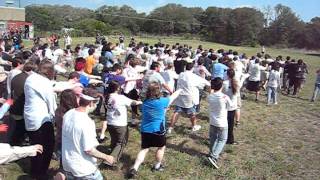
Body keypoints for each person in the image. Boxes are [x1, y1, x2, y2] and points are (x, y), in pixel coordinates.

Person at [128, 83, 181, 178]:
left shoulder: (145, 102)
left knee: (144, 149)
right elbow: (173, 97)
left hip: (145, 130)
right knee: (161, 148)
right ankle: (157, 166)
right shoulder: (163, 101)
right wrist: (180, 90)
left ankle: (135, 167)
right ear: (159, 91)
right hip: (158, 130)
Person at [61, 88, 114, 179]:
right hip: (83, 169)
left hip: (67, 164)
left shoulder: (68, 114)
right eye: (96, 103)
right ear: (91, 103)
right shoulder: (87, 122)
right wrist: (106, 157)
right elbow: (89, 149)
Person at [24, 60, 57, 179]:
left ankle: (35, 171)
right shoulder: (44, 83)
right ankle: (41, 172)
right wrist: (56, 118)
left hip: (30, 116)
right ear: (50, 72)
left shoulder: (31, 78)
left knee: (35, 145)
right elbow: (51, 103)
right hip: (41, 119)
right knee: (47, 146)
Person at [104, 81, 142, 166]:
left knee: (114, 140)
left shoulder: (107, 96)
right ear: (117, 88)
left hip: (110, 122)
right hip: (120, 124)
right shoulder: (120, 97)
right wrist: (140, 102)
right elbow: (132, 102)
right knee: (121, 142)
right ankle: (110, 161)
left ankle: (112, 151)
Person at [168, 62, 210, 133]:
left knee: (177, 112)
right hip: (189, 97)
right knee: (192, 113)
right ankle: (194, 126)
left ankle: (171, 127)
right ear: (192, 68)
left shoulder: (181, 74)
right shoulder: (193, 76)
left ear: (185, 68)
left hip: (180, 95)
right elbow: (206, 83)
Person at [207, 77, 233, 169]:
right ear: (221, 86)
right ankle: (214, 156)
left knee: (213, 138)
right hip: (222, 122)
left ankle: (211, 153)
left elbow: (210, 98)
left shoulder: (210, 96)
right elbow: (231, 106)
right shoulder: (225, 97)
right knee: (222, 139)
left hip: (212, 121)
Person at [9, 61, 36, 146]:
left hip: (15, 105)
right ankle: (15, 141)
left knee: (19, 125)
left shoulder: (16, 77)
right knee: (20, 127)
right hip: (21, 107)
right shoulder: (27, 80)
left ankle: (18, 140)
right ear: (31, 70)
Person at [54, 89, 78, 167]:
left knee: (63, 161)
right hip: (71, 140)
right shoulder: (73, 114)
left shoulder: (58, 111)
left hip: (60, 139)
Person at [223, 69, 239, 145]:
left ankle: (222, 138)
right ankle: (230, 139)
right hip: (232, 107)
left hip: (224, 107)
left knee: (223, 124)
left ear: (227, 75)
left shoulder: (224, 83)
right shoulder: (236, 83)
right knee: (230, 125)